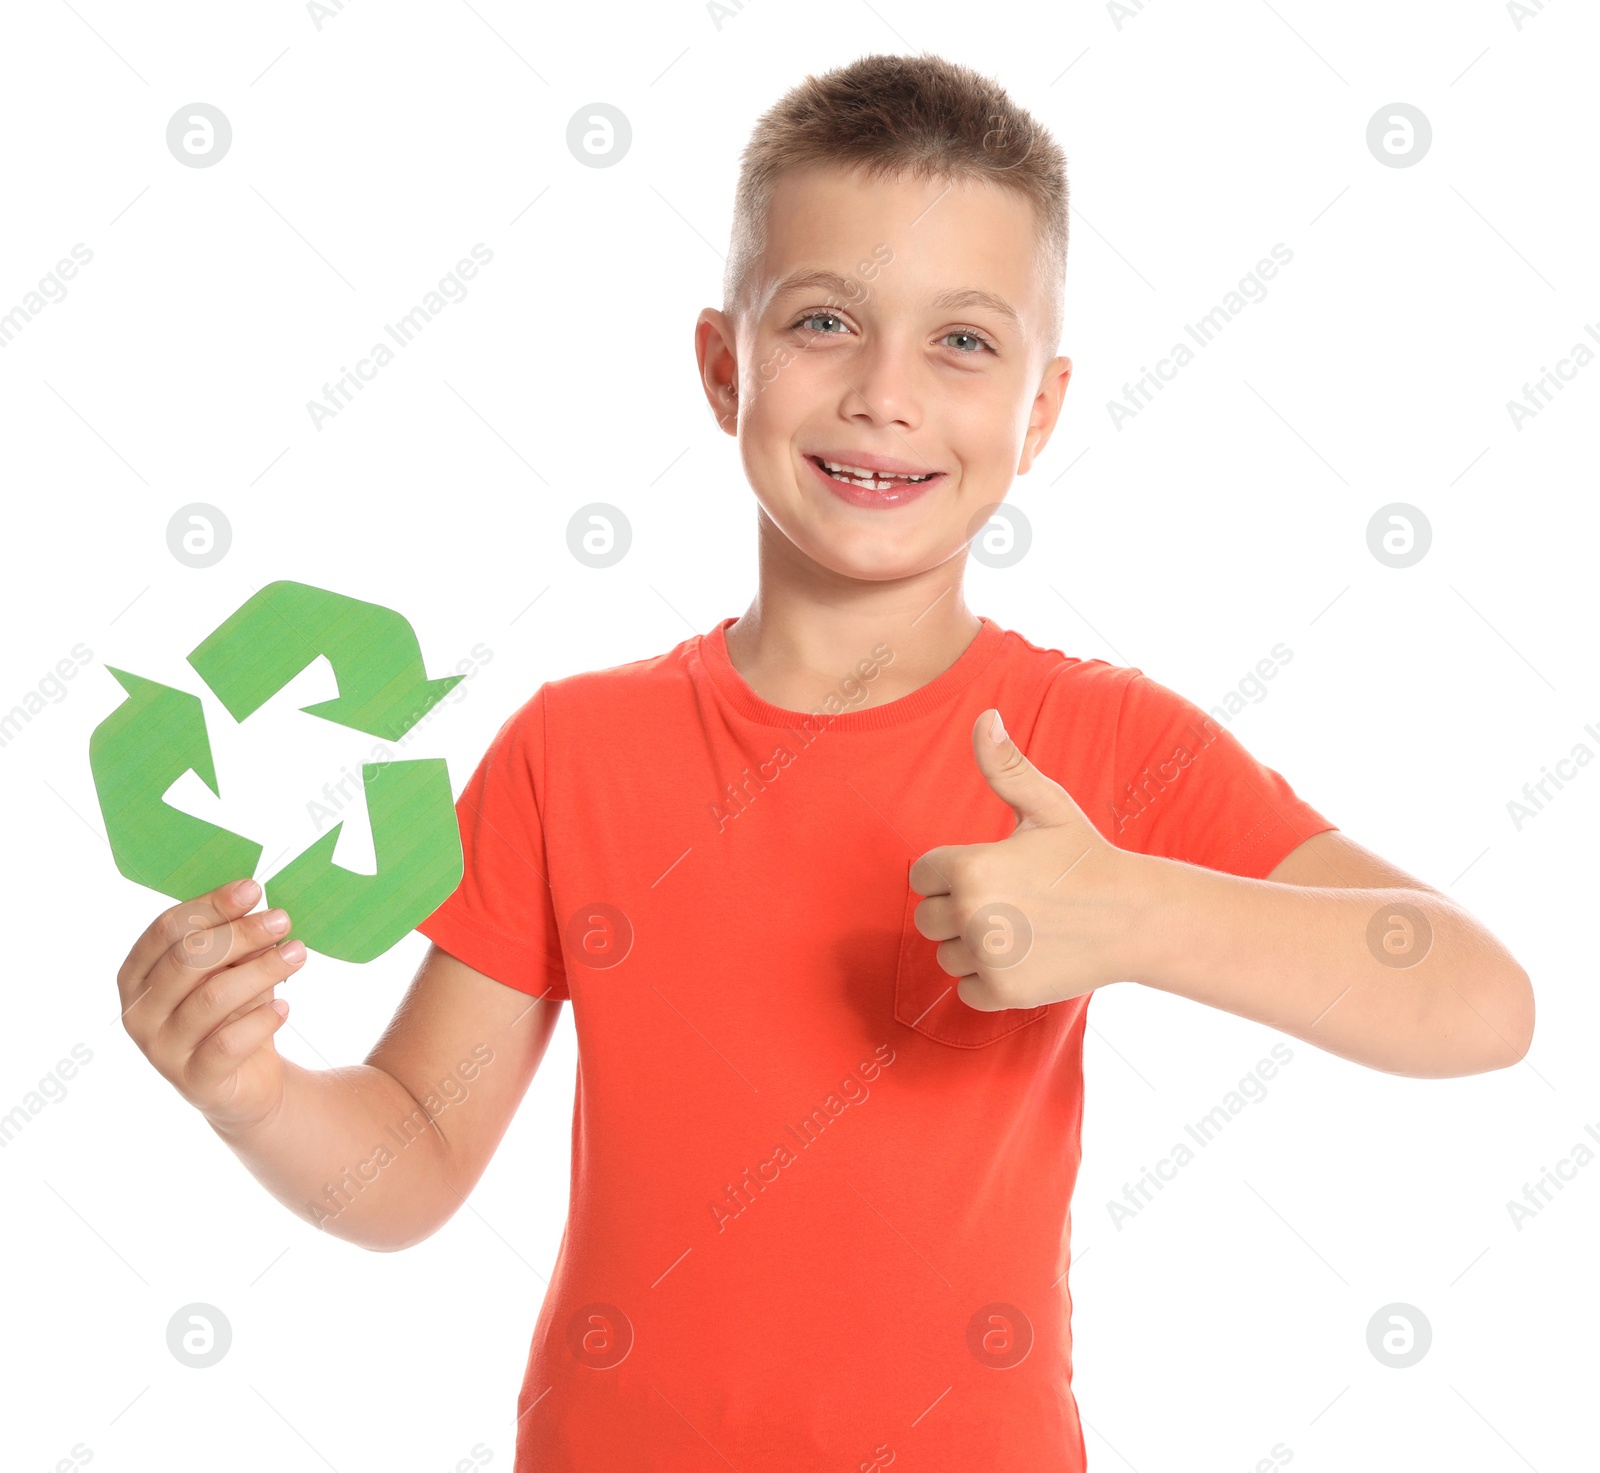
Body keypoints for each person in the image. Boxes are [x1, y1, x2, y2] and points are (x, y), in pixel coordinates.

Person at [114, 53, 1533, 1473]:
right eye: (825, 321)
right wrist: (256, 1094)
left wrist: (1142, 914)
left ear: (1040, 412)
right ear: (725, 366)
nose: (883, 394)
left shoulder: (1098, 744)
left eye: (964, 342)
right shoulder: (574, 750)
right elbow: (410, 1155)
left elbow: (1478, 997)